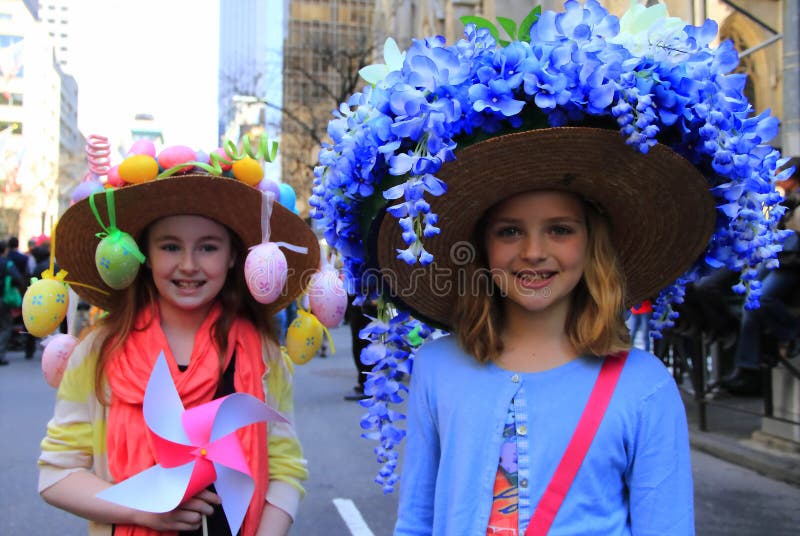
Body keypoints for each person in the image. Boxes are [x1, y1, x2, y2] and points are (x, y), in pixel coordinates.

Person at [308, 1, 792, 532]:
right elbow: (417, 520)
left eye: (560, 229)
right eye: (509, 230)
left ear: (592, 246)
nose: (534, 252)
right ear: (481, 247)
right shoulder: (438, 369)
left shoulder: (643, 386)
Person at [38, 143, 320, 535]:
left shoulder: (264, 356)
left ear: (233, 257)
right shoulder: (97, 352)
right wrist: (141, 509)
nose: (188, 265)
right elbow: (56, 474)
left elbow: (286, 471)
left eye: (208, 247)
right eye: (170, 246)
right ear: (145, 255)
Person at [719, 195, 800, 396]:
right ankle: (747, 366)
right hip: (782, 253)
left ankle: (789, 335)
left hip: (792, 258)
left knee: (760, 300)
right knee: (752, 304)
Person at [0, 239, 23, 366]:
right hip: (3, 298)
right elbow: (17, 278)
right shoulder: (7, 263)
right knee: (5, 327)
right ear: (5, 250)